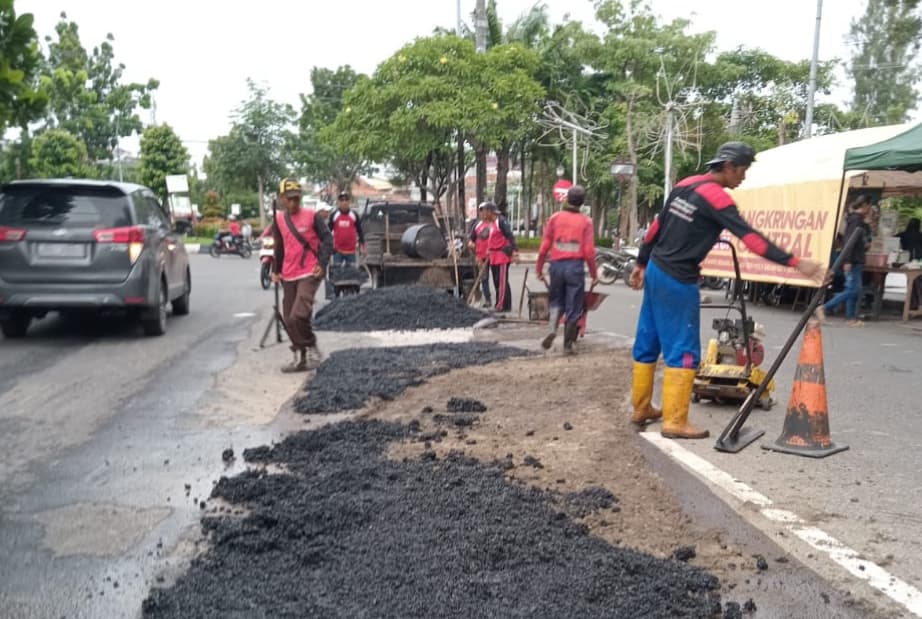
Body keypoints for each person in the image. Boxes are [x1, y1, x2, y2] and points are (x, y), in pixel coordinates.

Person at [628, 141, 823, 439]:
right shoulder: (717, 198)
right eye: (742, 170)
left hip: (655, 269)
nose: (743, 177)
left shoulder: (684, 185)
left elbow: (655, 228)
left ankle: (641, 408)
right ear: (729, 166)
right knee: (683, 348)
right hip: (678, 278)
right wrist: (795, 262)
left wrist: (641, 263)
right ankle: (675, 422)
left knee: (648, 340)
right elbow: (751, 239)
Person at [271, 178, 333, 373]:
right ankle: (300, 355)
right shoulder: (278, 219)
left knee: (299, 314)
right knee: (289, 319)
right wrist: (275, 270)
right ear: (282, 198)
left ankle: (311, 345)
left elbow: (327, 239)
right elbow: (279, 246)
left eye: (296, 199)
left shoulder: (311, 216)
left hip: (310, 270)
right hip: (288, 273)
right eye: (289, 199)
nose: (293, 203)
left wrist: (322, 264)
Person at [536, 185, 598, 353]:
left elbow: (544, 247)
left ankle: (552, 329)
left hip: (556, 267)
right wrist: (594, 274)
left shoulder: (555, 218)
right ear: (582, 203)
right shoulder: (586, 222)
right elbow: (589, 252)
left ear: (567, 199)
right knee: (574, 305)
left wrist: (539, 269)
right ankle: (568, 344)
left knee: (556, 301)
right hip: (575, 268)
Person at [816, 196, 872, 327]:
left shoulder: (858, 220)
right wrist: (847, 260)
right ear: (864, 205)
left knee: (852, 289)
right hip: (853, 259)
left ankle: (850, 318)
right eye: (869, 206)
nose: (869, 209)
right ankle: (824, 307)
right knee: (853, 290)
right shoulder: (856, 220)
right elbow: (849, 241)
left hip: (855, 259)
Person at [482, 201, 518, 312]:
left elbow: (510, 236)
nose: (483, 214)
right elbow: (492, 238)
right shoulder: (492, 223)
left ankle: (500, 306)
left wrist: (514, 252)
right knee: (498, 281)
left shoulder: (501, 221)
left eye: (484, 211)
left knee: (502, 282)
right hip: (494, 256)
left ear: (490, 212)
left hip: (501, 256)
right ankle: (505, 305)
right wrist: (489, 249)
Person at [328, 191, 365, 268]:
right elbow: (328, 232)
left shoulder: (354, 215)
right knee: (337, 273)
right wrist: (327, 247)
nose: (344, 202)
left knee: (351, 273)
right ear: (338, 202)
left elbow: (360, 231)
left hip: (351, 251)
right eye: (342, 200)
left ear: (349, 202)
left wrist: (362, 246)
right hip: (337, 251)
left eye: (346, 200)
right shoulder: (334, 215)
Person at [467, 203, 493, 308]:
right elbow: (471, 240)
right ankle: (488, 299)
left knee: (497, 279)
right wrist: (471, 245)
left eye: (484, 211)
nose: (482, 213)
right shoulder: (477, 225)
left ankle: (500, 302)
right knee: (484, 278)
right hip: (481, 257)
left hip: (494, 256)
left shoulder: (494, 224)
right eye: (481, 211)